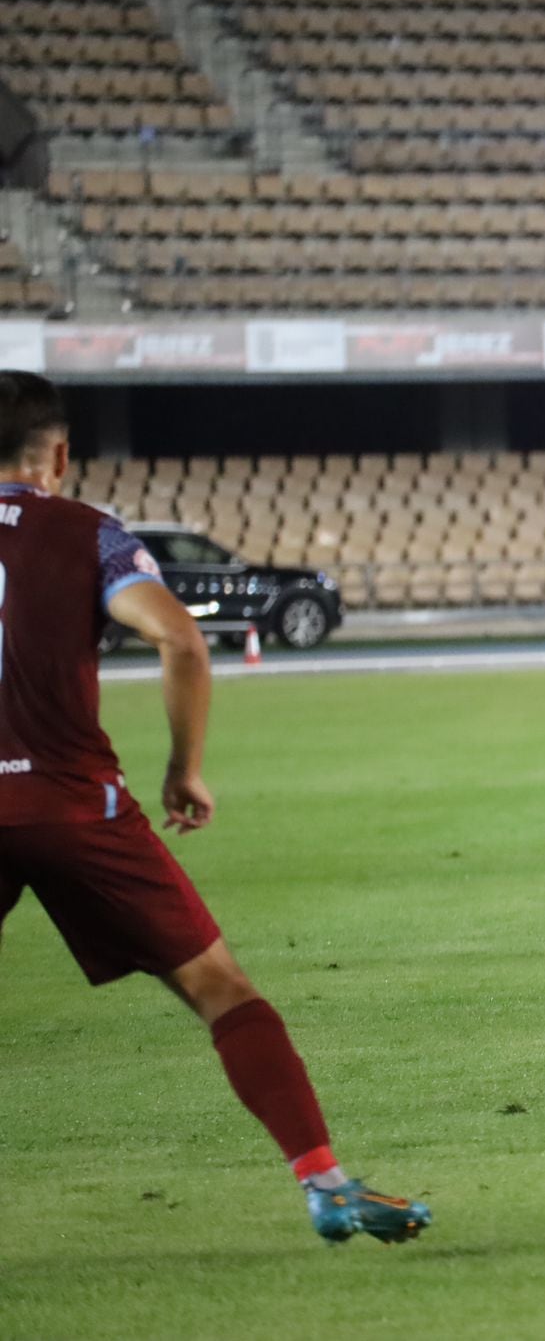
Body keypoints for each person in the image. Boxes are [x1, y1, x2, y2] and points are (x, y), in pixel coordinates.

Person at [0, 371, 430, 1243]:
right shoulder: (87, 534)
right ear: (59, 454)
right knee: (221, 990)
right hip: (73, 803)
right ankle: (325, 1182)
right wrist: (183, 769)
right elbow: (180, 639)